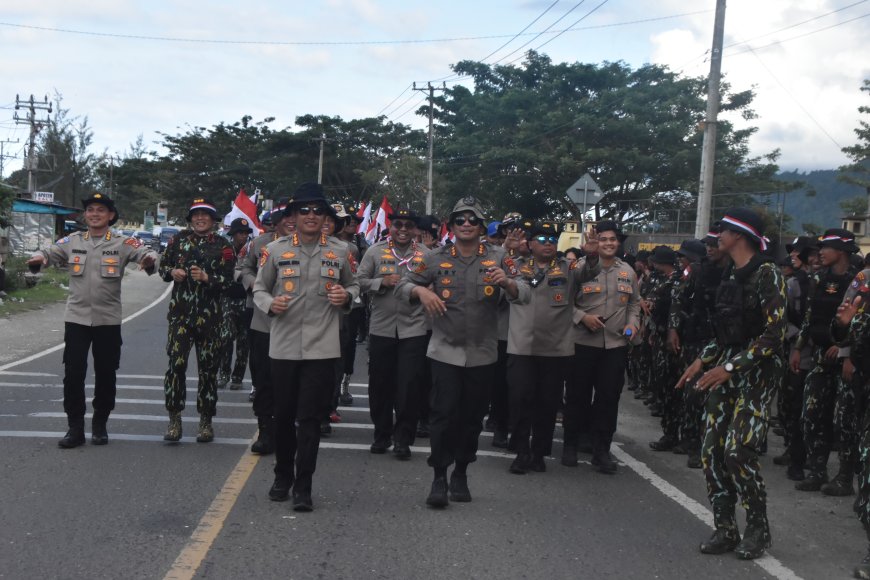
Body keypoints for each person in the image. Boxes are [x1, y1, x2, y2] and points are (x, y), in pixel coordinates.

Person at [397, 197, 534, 508]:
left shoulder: (500, 258)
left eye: (473, 219)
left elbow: (526, 291)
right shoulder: (434, 257)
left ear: (481, 226)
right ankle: (438, 476)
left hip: (483, 354)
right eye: (460, 220)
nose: (467, 224)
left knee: (472, 418)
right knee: (443, 415)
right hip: (444, 351)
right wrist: (421, 291)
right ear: (453, 226)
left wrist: (509, 284)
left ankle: (461, 471)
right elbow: (403, 287)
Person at [677, 207, 785, 560]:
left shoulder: (768, 273)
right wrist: (702, 360)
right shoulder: (731, 274)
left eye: (722, 230)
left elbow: (774, 335)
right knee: (711, 452)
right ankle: (725, 528)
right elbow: (725, 332)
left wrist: (729, 366)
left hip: (756, 373)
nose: (717, 236)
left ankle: (758, 529)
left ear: (739, 235)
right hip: (725, 368)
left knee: (737, 452)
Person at [253, 183, 360, 512]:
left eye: (317, 211)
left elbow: (355, 286)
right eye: (304, 210)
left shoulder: (341, 252)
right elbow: (258, 289)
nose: (311, 216)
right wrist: (271, 303)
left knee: (310, 419)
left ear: (326, 217)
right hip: (283, 347)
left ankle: (304, 485)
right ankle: (282, 475)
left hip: (322, 348)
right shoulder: (274, 250)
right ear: (293, 217)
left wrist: (348, 298)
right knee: (283, 417)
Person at [27, 193, 157, 448]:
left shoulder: (121, 242)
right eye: (90, 210)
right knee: (73, 373)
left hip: (108, 320)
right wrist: (39, 258)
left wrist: (149, 260)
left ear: (110, 215)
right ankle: (75, 427)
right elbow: (49, 251)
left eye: (100, 210)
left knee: (106, 373)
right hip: (76, 318)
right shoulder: (73, 240)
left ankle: (100, 423)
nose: (94, 214)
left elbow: (145, 251)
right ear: (85, 215)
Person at [159, 198, 235, 444]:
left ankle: (205, 421)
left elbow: (230, 283)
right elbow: (163, 268)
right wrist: (172, 272)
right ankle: (174, 419)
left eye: (206, 215)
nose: (200, 219)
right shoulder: (177, 240)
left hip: (210, 318)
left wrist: (207, 277)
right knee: (175, 367)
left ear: (214, 220)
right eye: (196, 215)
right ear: (190, 218)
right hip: (180, 316)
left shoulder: (224, 245)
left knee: (208, 370)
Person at [562, 220, 636, 473]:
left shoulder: (627, 270)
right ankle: (570, 444)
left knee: (608, 398)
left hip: (615, 344)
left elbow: (634, 304)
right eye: (603, 239)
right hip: (582, 342)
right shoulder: (579, 268)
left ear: (618, 243)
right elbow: (562, 301)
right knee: (577, 396)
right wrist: (583, 317)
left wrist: (633, 325)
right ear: (596, 242)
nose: (608, 243)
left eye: (612, 239)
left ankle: (601, 450)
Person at [791, 229, 860, 494]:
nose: (821, 252)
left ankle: (844, 478)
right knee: (811, 414)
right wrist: (799, 347)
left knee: (845, 420)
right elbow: (810, 316)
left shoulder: (859, 280)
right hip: (819, 355)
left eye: (826, 248)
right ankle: (817, 471)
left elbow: (860, 321)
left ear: (841, 251)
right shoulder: (818, 278)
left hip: (846, 360)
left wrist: (844, 349)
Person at [358, 207, 428, 459]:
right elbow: (358, 281)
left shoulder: (426, 255)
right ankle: (381, 434)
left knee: (409, 386)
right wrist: (380, 282)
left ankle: (403, 439)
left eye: (408, 225)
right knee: (380, 385)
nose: (403, 230)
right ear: (391, 226)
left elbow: (437, 284)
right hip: (382, 327)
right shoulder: (375, 252)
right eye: (398, 224)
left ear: (415, 230)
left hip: (414, 328)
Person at [237, 200, 295, 455]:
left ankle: (289, 430)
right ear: (276, 221)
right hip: (263, 322)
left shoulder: (317, 246)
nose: (290, 221)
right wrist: (253, 285)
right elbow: (241, 268)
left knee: (292, 382)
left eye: (295, 216)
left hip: (298, 325)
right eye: (285, 217)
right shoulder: (259, 245)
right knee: (263, 380)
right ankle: (265, 430)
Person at [776, 236, 817, 481]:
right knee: (791, 405)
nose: (793, 256)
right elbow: (783, 318)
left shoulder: (823, 282)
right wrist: (798, 339)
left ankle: (806, 456)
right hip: (796, 351)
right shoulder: (792, 284)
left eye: (797, 253)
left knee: (811, 410)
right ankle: (795, 454)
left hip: (823, 351)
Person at [647, 246, 684, 451]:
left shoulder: (679, 281)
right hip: (660, 335)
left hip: (678, 342)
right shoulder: (662, 279)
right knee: (664, 386)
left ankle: (684, 437)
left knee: (679, 390)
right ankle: (669, 433)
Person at [218, 217, 253, 390]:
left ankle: (237, 377)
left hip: (246, 298)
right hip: (227, 297)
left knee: (244, 340)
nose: (243, 236)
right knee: (225, 337)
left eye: (246, 233)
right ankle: (223, 373)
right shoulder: (225, 249)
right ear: (233, 234)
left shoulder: (252, 250)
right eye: (240, 232)